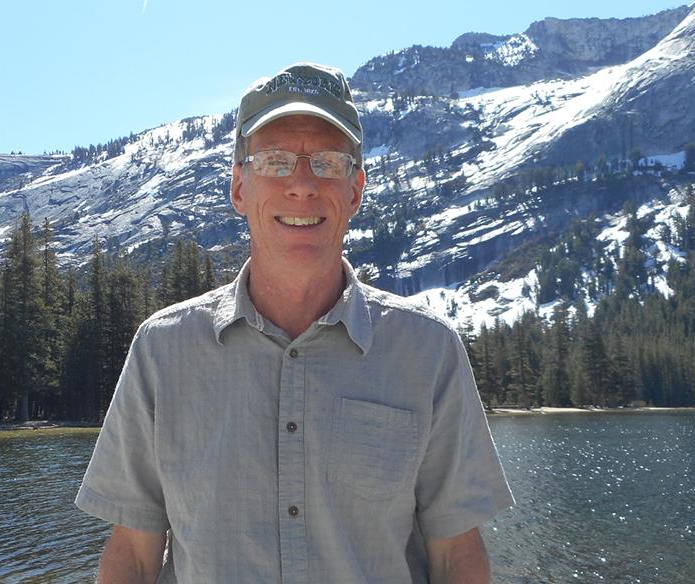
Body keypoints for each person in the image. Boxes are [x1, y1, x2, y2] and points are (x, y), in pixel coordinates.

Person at [75, 62, 514, 584]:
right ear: (239, 186)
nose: (302, 184)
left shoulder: (428, 352)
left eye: (328, 162)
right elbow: (133, 554)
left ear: (355, 191)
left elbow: (456, 554)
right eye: (276, 161)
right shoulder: (161, 351)